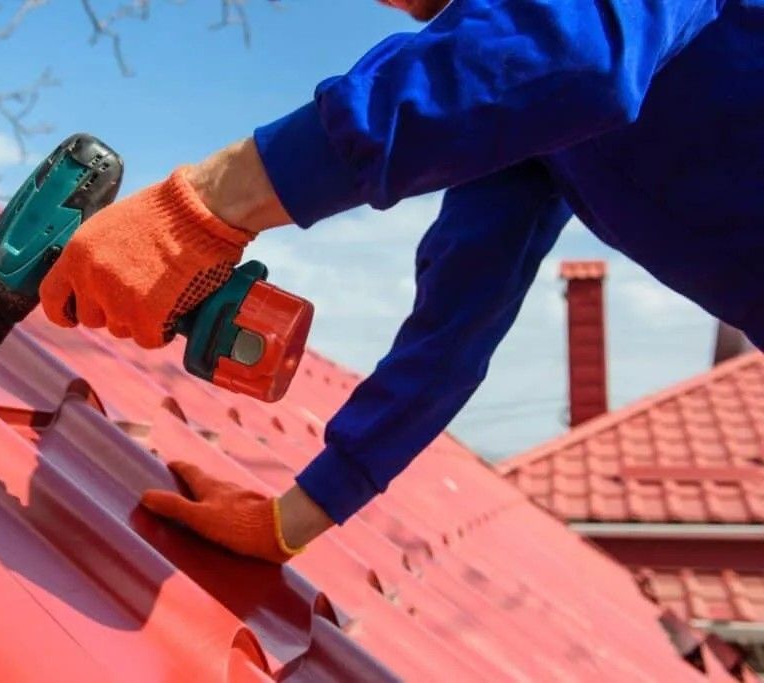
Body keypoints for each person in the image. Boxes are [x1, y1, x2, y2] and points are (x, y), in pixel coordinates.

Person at [40, 0, 764, 564]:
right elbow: (453, 327)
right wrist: (290, 521)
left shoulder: (553, 47)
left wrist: (205, 203)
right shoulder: (517, 87)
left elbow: (572, 52)